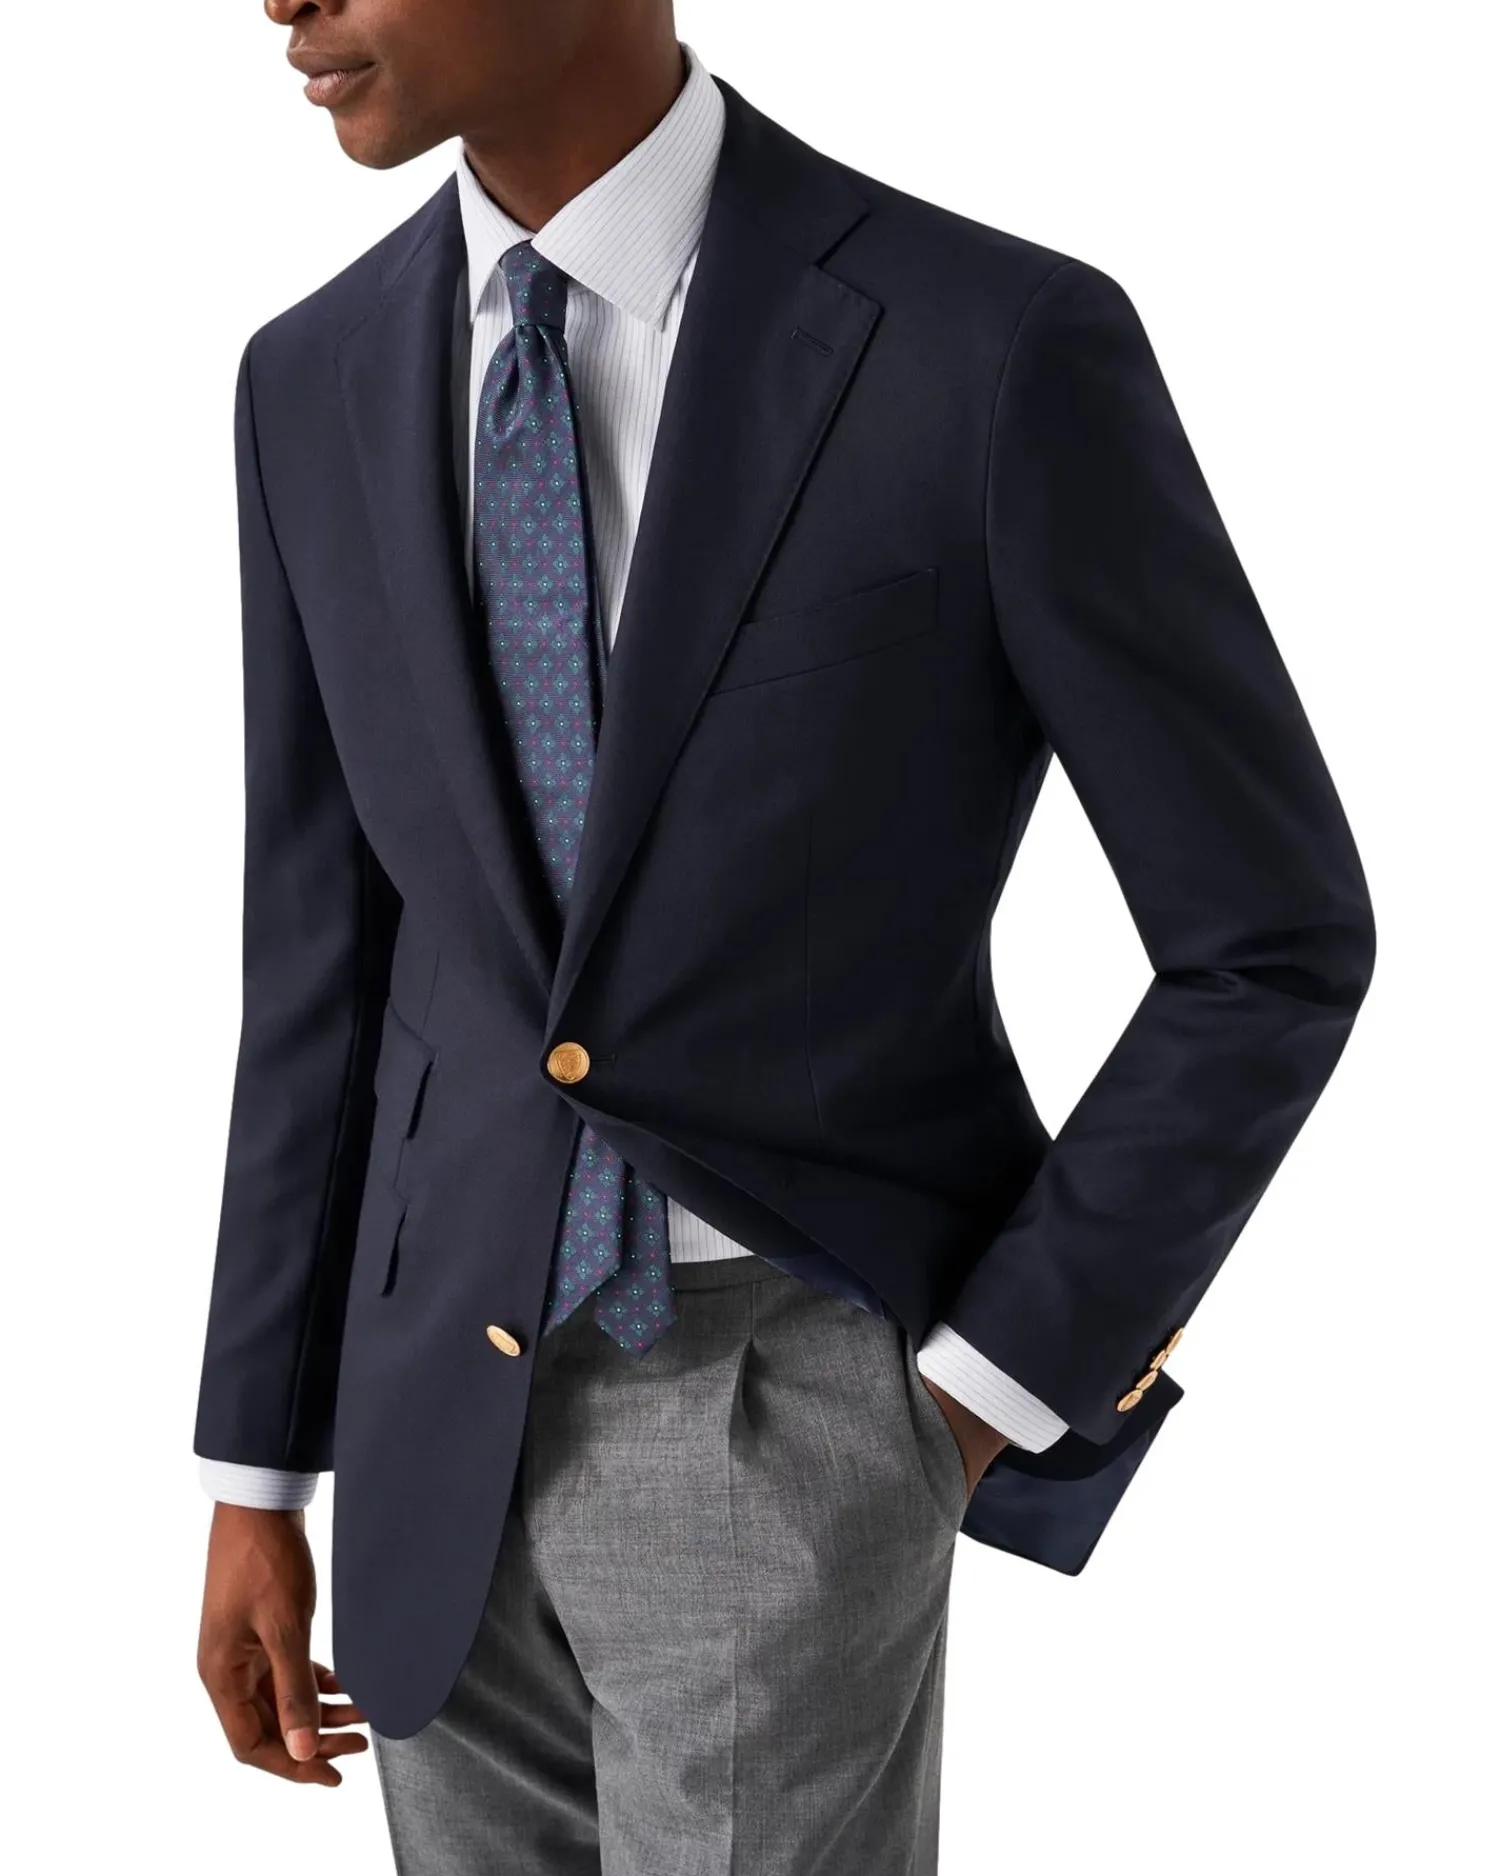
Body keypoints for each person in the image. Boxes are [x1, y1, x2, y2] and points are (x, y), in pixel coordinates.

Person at [194, 4, 1376, 1869]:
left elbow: (1271, 938)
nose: (284, 0)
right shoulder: (311, 375)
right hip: (427, 1423)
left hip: (785, 1395)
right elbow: (324, 971)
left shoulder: (987, 342)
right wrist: (257, 1467)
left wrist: (970, 1398)